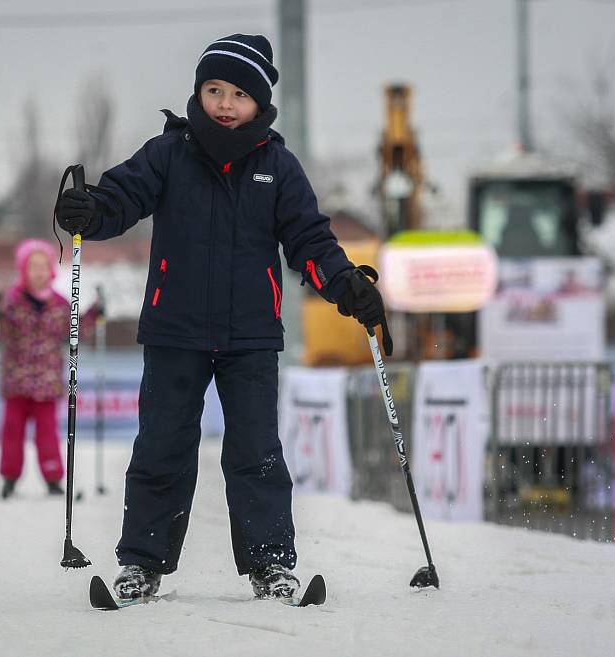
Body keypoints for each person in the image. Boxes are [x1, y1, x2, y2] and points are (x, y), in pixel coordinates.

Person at [56, 34, 392, 600]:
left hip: (251, 336)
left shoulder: (277, 166)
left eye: (239, 93)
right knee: (161, 446)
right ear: (198, 93)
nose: (225, 103)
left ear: (260, 104)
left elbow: (308, 238)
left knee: (256, 453)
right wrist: (92, 207)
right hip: (174, 329)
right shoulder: (169, 153)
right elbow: (123, 196)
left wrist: (343, 282)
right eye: (214, 89)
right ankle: (141, 565)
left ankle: (271, 567)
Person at [0, 238, 69, 500]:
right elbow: (0, 332)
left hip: (47, 383)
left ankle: (52, 478)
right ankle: (9, 477)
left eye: (43, 266)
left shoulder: (61, 304)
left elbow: (75, 332)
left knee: (48, 433)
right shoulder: (12, 301)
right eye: (32, 267)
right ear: (23, 270)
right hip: (17, 381)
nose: (39, 272)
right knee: (12, 432)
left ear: (51, 269)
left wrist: (95, 315)